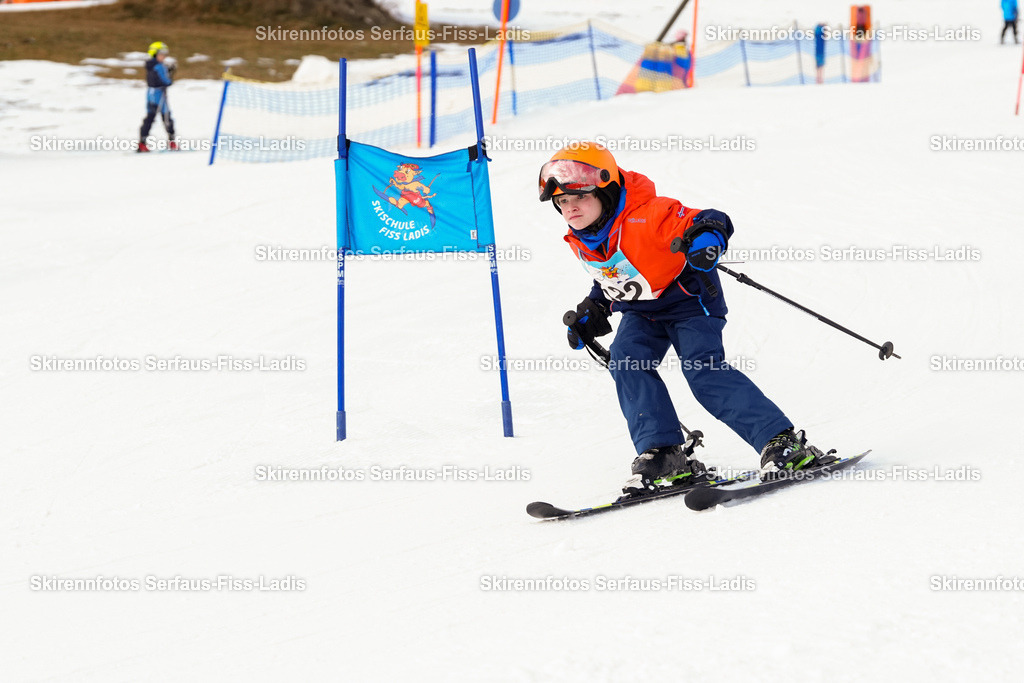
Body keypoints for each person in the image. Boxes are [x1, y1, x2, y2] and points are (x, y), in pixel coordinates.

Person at [538, 142, 832, 498]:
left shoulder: (649, 214)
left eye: (579, 198)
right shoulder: (584, 235)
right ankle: (665, 454)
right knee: (628, 362)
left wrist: (706, 240)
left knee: (702, 371)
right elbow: (613, 271)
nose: (570, 208)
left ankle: (781, 442)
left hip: (689, 301)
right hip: (642, 310)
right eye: (563, 203)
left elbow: (710, 218)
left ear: (607, 190)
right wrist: (593, 308)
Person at [138, 41, 177, 153]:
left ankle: (142, 142)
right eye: (162, 53)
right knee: (166, 117)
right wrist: (169, 76)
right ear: (155, 54)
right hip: (159, 95)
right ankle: (172, 142)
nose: (164, 56)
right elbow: (165, 81)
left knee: (149, 118)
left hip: (150, 95)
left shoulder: (151, 65)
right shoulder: (159, 66)